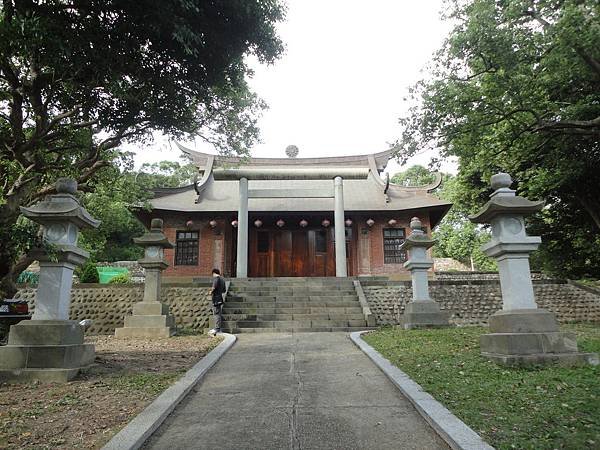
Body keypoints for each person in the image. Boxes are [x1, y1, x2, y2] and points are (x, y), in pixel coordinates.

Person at [208, 268, 226, 336]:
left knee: (216, 313)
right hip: (220, 298)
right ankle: (218, 328)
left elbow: (214, 287)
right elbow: (224, 290)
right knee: (219, 313)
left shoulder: (216, 279)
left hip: (215, 298)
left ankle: (217, 328)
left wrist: (210, 292)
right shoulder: (223, 280)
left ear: (214, 273)